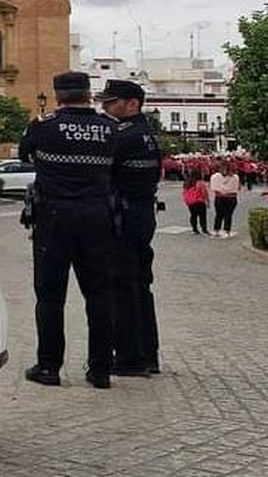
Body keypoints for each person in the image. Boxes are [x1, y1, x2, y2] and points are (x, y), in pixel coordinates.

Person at [18, 71, 118, 389]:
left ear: (58, 96)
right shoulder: (109, 128)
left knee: (50, 296)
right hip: (97, 218)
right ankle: (101, 369)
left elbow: (24, 154)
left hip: (53, 219)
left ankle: (49, 366)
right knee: (100, 294)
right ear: (88, 94)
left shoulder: (42, 127)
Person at [97, 79, 162, 376]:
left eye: (112, 102)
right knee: (140, 286)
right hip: (142, 214)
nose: (105, 107)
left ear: (132, 103)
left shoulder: (121, 137)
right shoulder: (145, 134)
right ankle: (148, 354)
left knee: (122, 287)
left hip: (123, 218)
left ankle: (128, 357)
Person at [209, 165, 240, 237]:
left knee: (219, 214)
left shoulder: (215, 177)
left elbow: (214, 188)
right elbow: (238, 187)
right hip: (231, 197)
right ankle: (227, 231)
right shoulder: (235, 177)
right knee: (228, 215)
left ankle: (217, 230)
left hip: (220, 197)